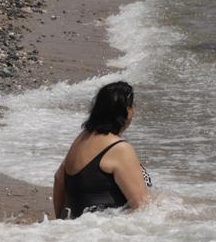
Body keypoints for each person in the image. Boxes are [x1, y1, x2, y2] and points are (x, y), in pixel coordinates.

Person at [52, 81, 151, 220]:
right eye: (132, 105)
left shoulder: (82, 137)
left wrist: (59, 220)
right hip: (104, 229)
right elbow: (143, 206)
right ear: (127, 111)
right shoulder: (120, 149)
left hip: (78, 225)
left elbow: (58, 179)